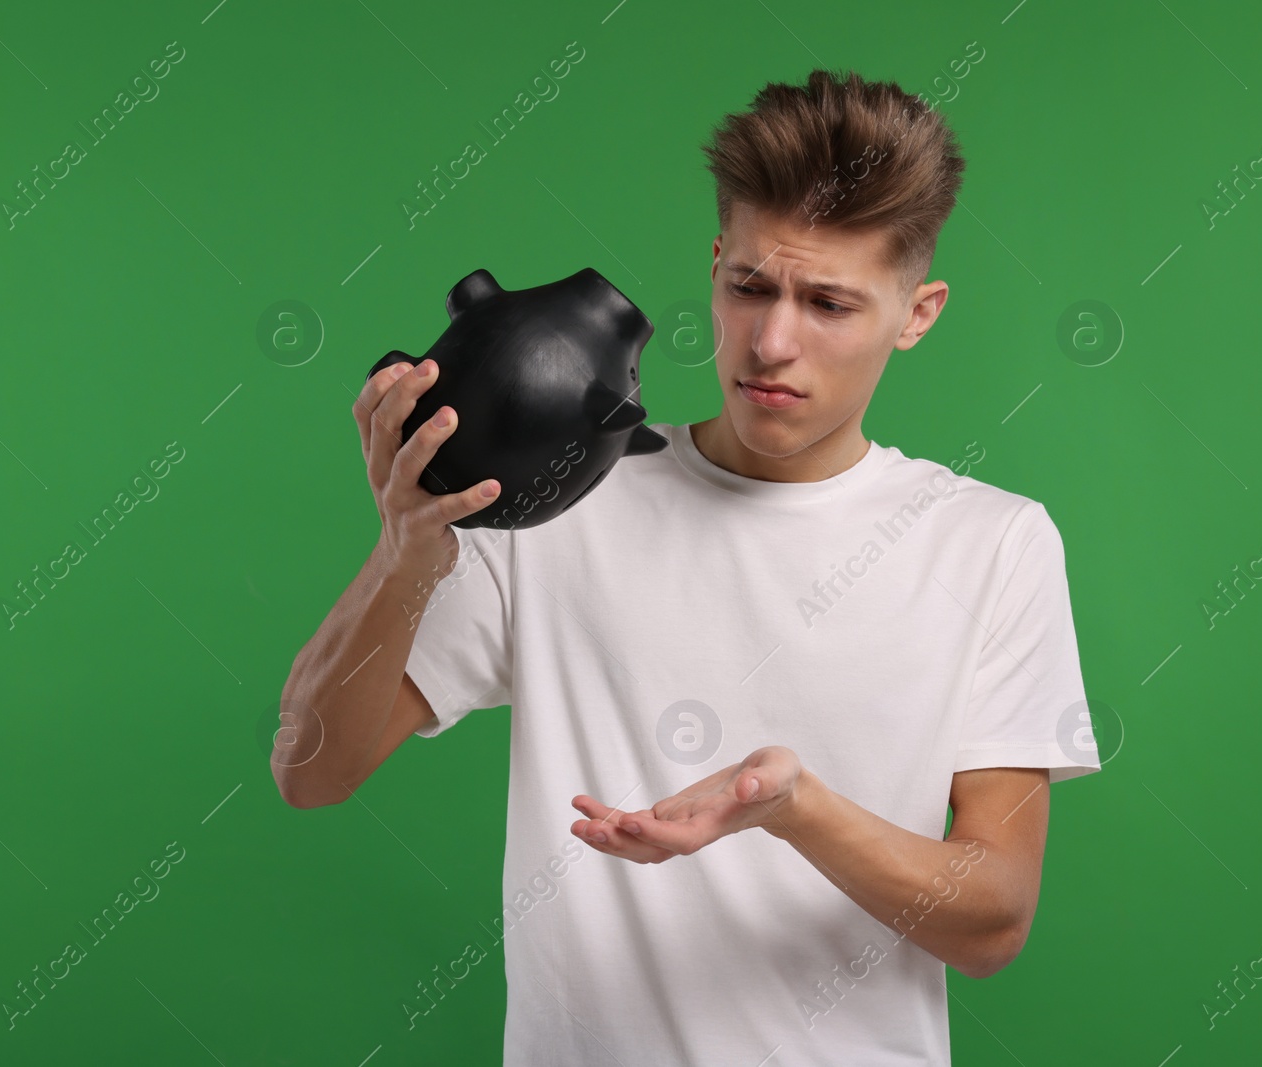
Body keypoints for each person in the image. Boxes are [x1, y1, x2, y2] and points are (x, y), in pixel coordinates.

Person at [276, 67, 1102, 1066]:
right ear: (714, 263)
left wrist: (795, 809)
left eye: (829, 303)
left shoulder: (990, 541)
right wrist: (405, 554)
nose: (770, 340)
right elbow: (309, 768)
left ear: (916, 312)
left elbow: (992, 920)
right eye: (747, 285)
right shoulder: (557, 503)